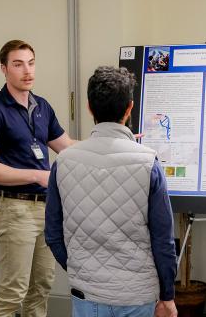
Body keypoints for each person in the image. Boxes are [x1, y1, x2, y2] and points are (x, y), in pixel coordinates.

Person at [45, 66, 178, 317]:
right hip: (138, 296)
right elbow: (163, 240)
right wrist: (168, 295)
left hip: (85, 292)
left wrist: (79, 270)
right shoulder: (148, 162)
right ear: (129, 108)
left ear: (89, 108)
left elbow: (53, 234)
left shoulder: (63, 161)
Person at [0, 39, 75, 317]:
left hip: (46, 209)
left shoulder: (41, 106)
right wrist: (38, 175)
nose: (27, 71)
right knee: (12, 291)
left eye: (30, 63)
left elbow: (67, 146)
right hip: (15, 210)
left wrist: (115, 141)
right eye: (18, 64)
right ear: (4, 69)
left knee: (41, 287)